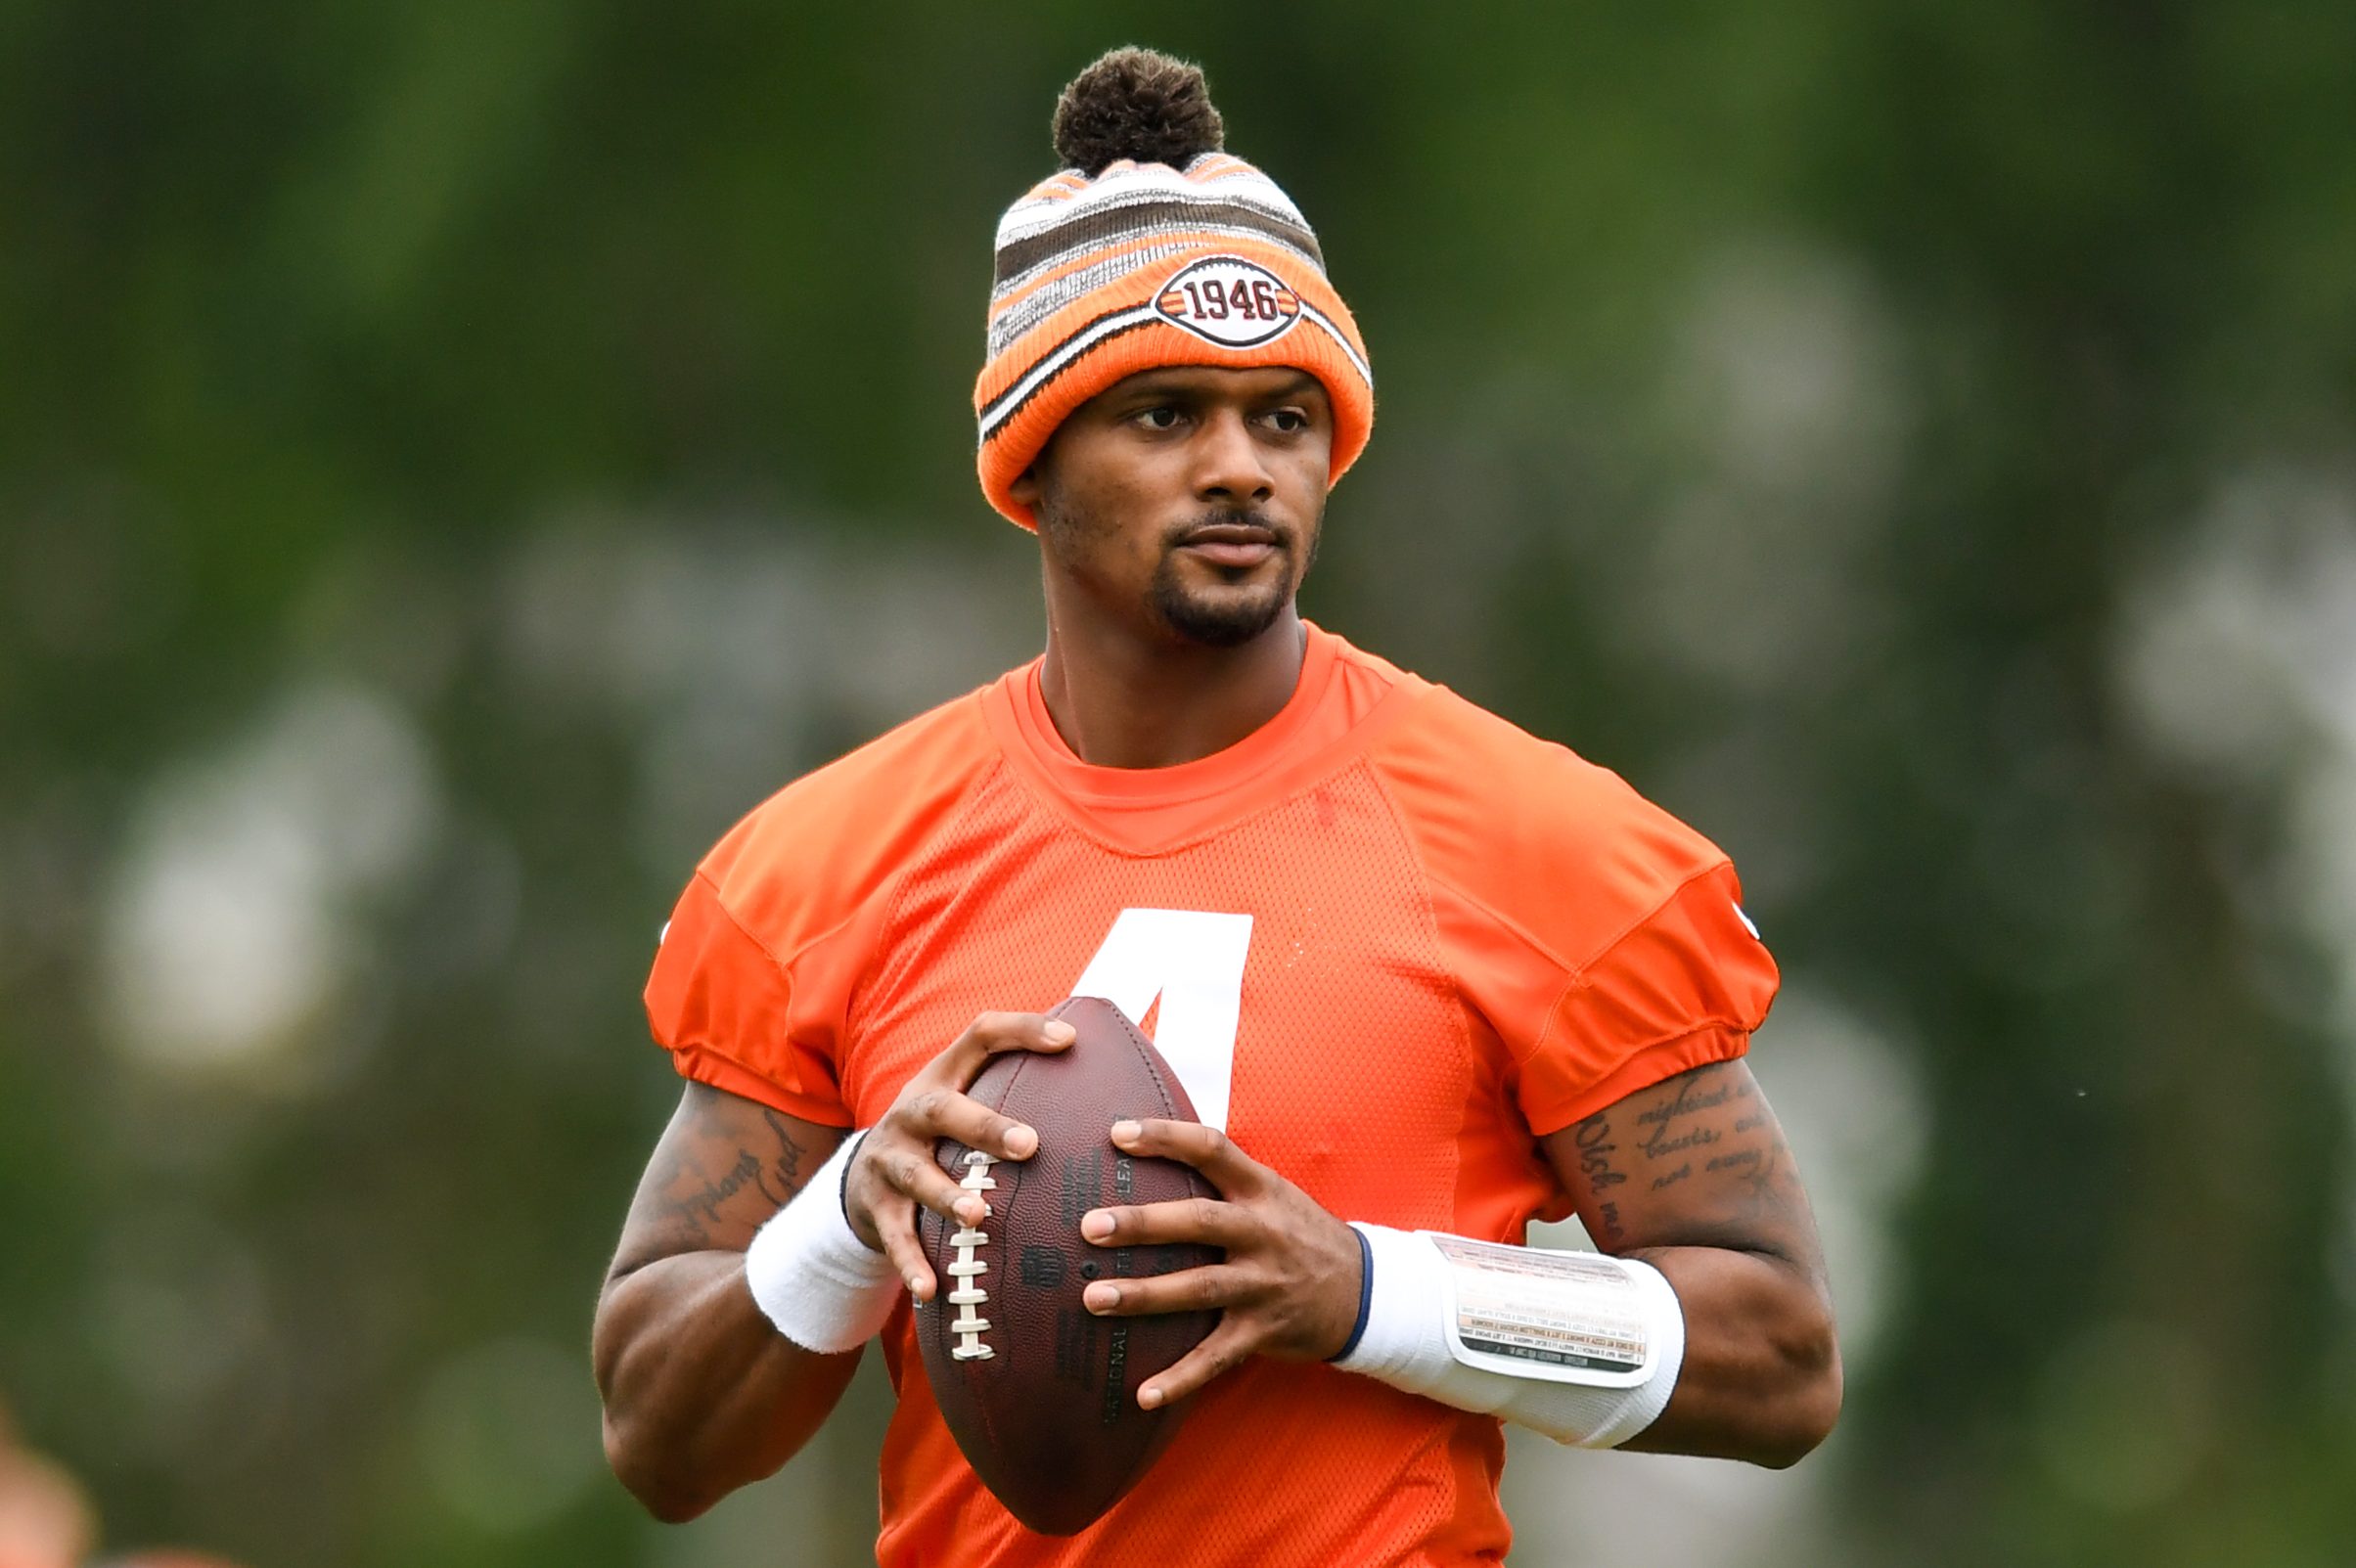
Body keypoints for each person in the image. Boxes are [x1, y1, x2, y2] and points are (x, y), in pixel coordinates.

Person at [592, 46, 1839, 1568]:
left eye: (1287, 417)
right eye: (1168, 414)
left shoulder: (1541, 845)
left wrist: (1369, 1294)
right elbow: (656, 1439)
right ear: (1032, 460)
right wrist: (849, 1215)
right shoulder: (823, 867)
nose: (1243, 468)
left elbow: (1781, 1359)